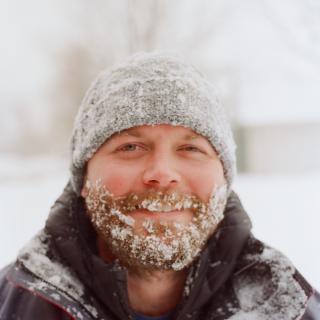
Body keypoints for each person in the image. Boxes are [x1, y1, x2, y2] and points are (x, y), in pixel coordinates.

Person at [0, 52, 319, 320]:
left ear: (223, 176)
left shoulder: (291, 308)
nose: (163, 173)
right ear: (84, 178)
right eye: (130, 147)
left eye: (191, 149)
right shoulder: (11, 305)